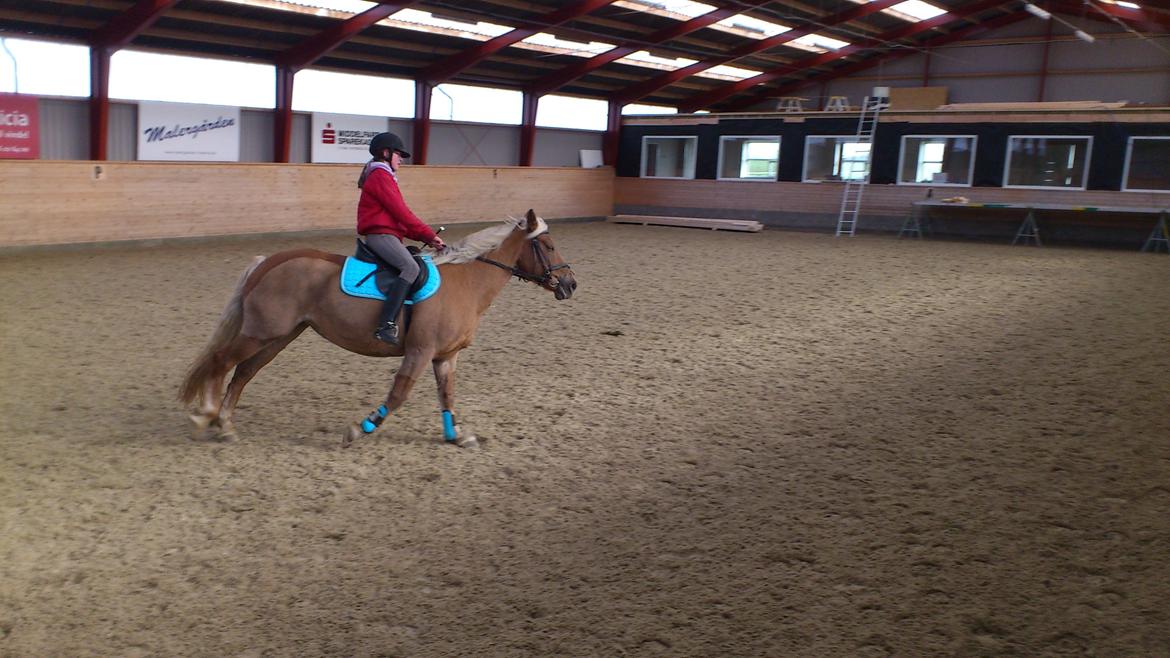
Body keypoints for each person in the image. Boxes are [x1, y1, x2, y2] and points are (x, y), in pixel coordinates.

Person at [357, 132, 446, 345]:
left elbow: (398, 220)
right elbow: (402, 212)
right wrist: (427, 234)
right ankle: (386, 324)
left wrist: (426, 238)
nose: (401, 160)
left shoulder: (383, 175)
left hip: (388, 234)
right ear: (385, 153)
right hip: (380, 235)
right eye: (398, 154)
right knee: (410, 268)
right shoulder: (380, 175)